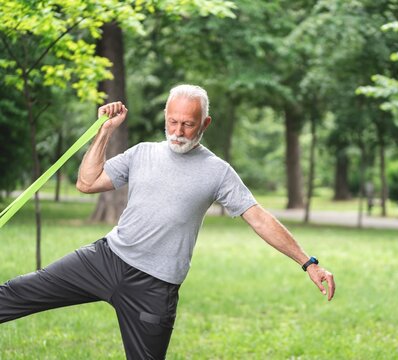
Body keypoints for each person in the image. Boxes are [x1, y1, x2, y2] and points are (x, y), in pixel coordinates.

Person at [0, 84, 335, 359]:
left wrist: (308, 263)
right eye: (172, 121)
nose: (178, 131)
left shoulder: (217, 172)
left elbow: (259, 217)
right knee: (14, 293)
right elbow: (87, 183)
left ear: (205, 123)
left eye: (188, 124)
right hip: (105, 259)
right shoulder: (142, 153)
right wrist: (104, 132)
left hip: (154, 288)